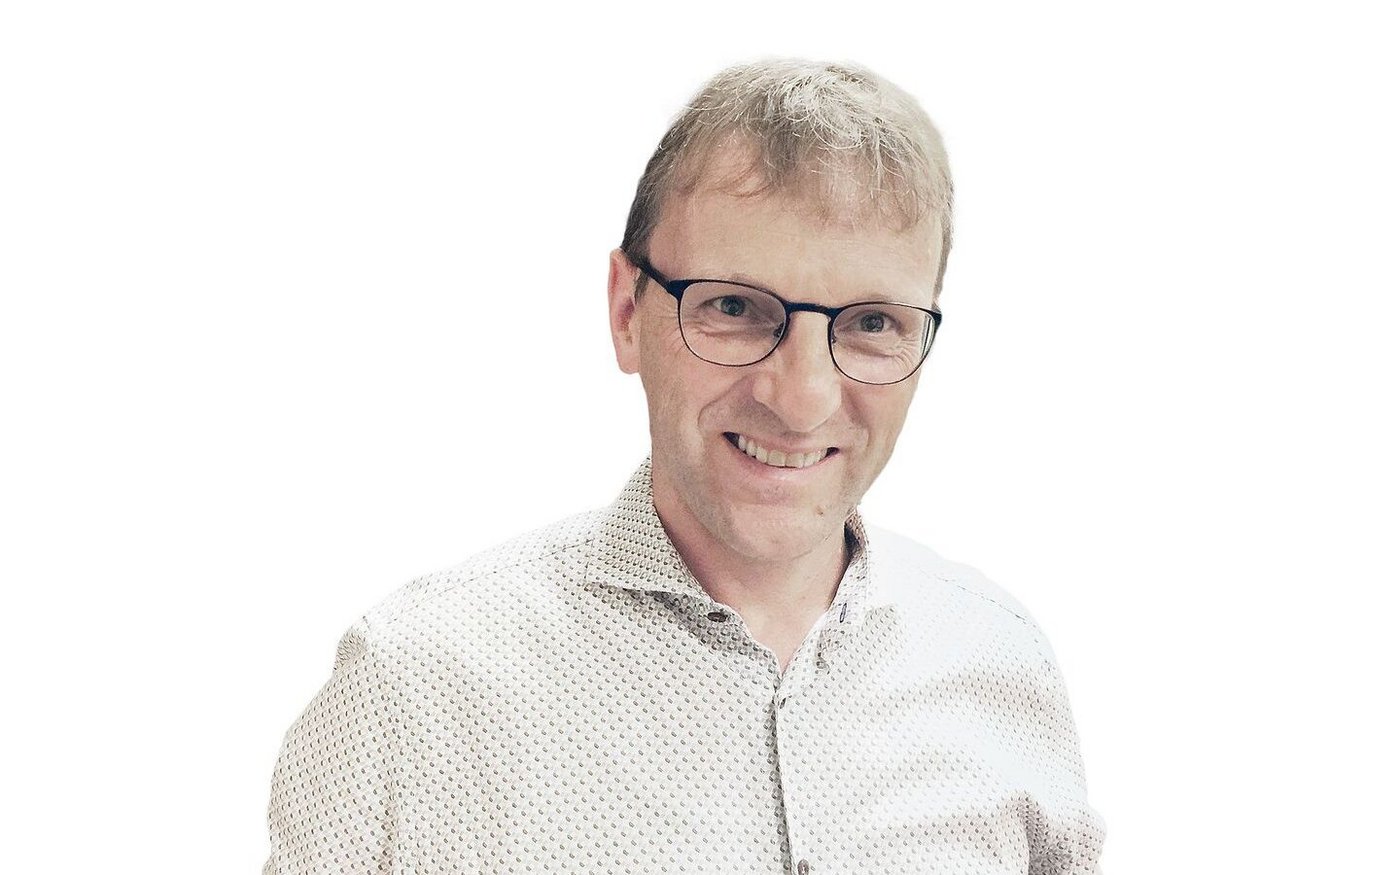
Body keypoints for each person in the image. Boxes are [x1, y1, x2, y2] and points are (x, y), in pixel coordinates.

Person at [264, 59, 1105, 874]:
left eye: (872, 324)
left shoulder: (1004, 671)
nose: (801, 399)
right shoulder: (411, 693)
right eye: (734, 307)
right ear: (626, 311)